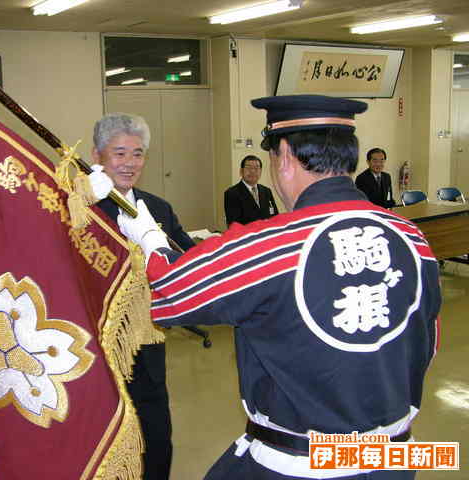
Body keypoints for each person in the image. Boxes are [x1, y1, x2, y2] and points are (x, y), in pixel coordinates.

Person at [115, 95, 441, 479]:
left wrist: (151, 238)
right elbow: (426, 340)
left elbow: (172, 295)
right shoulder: (411, 236)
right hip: (397, 457)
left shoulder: (270, 244)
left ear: (283, 156)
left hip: (301, 464)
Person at [89, 112, 195, 480]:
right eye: (119, 153)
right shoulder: (78, 209)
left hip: (146, 344)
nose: (129, 163)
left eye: (138, 154)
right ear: (97, 155)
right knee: (99, 437)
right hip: (92, 348)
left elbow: (187, 263)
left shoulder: (158, 208)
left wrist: (155, 243)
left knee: (154, 436)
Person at [224, 154, 278, 226]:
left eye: (256, 168)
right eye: (248, 168)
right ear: (241, 171)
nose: (252, 171)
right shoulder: (232, 193)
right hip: (247, 236)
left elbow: (275, 216)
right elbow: (234, 224)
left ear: (260, 171)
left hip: (267, 234)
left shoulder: (266, 191)